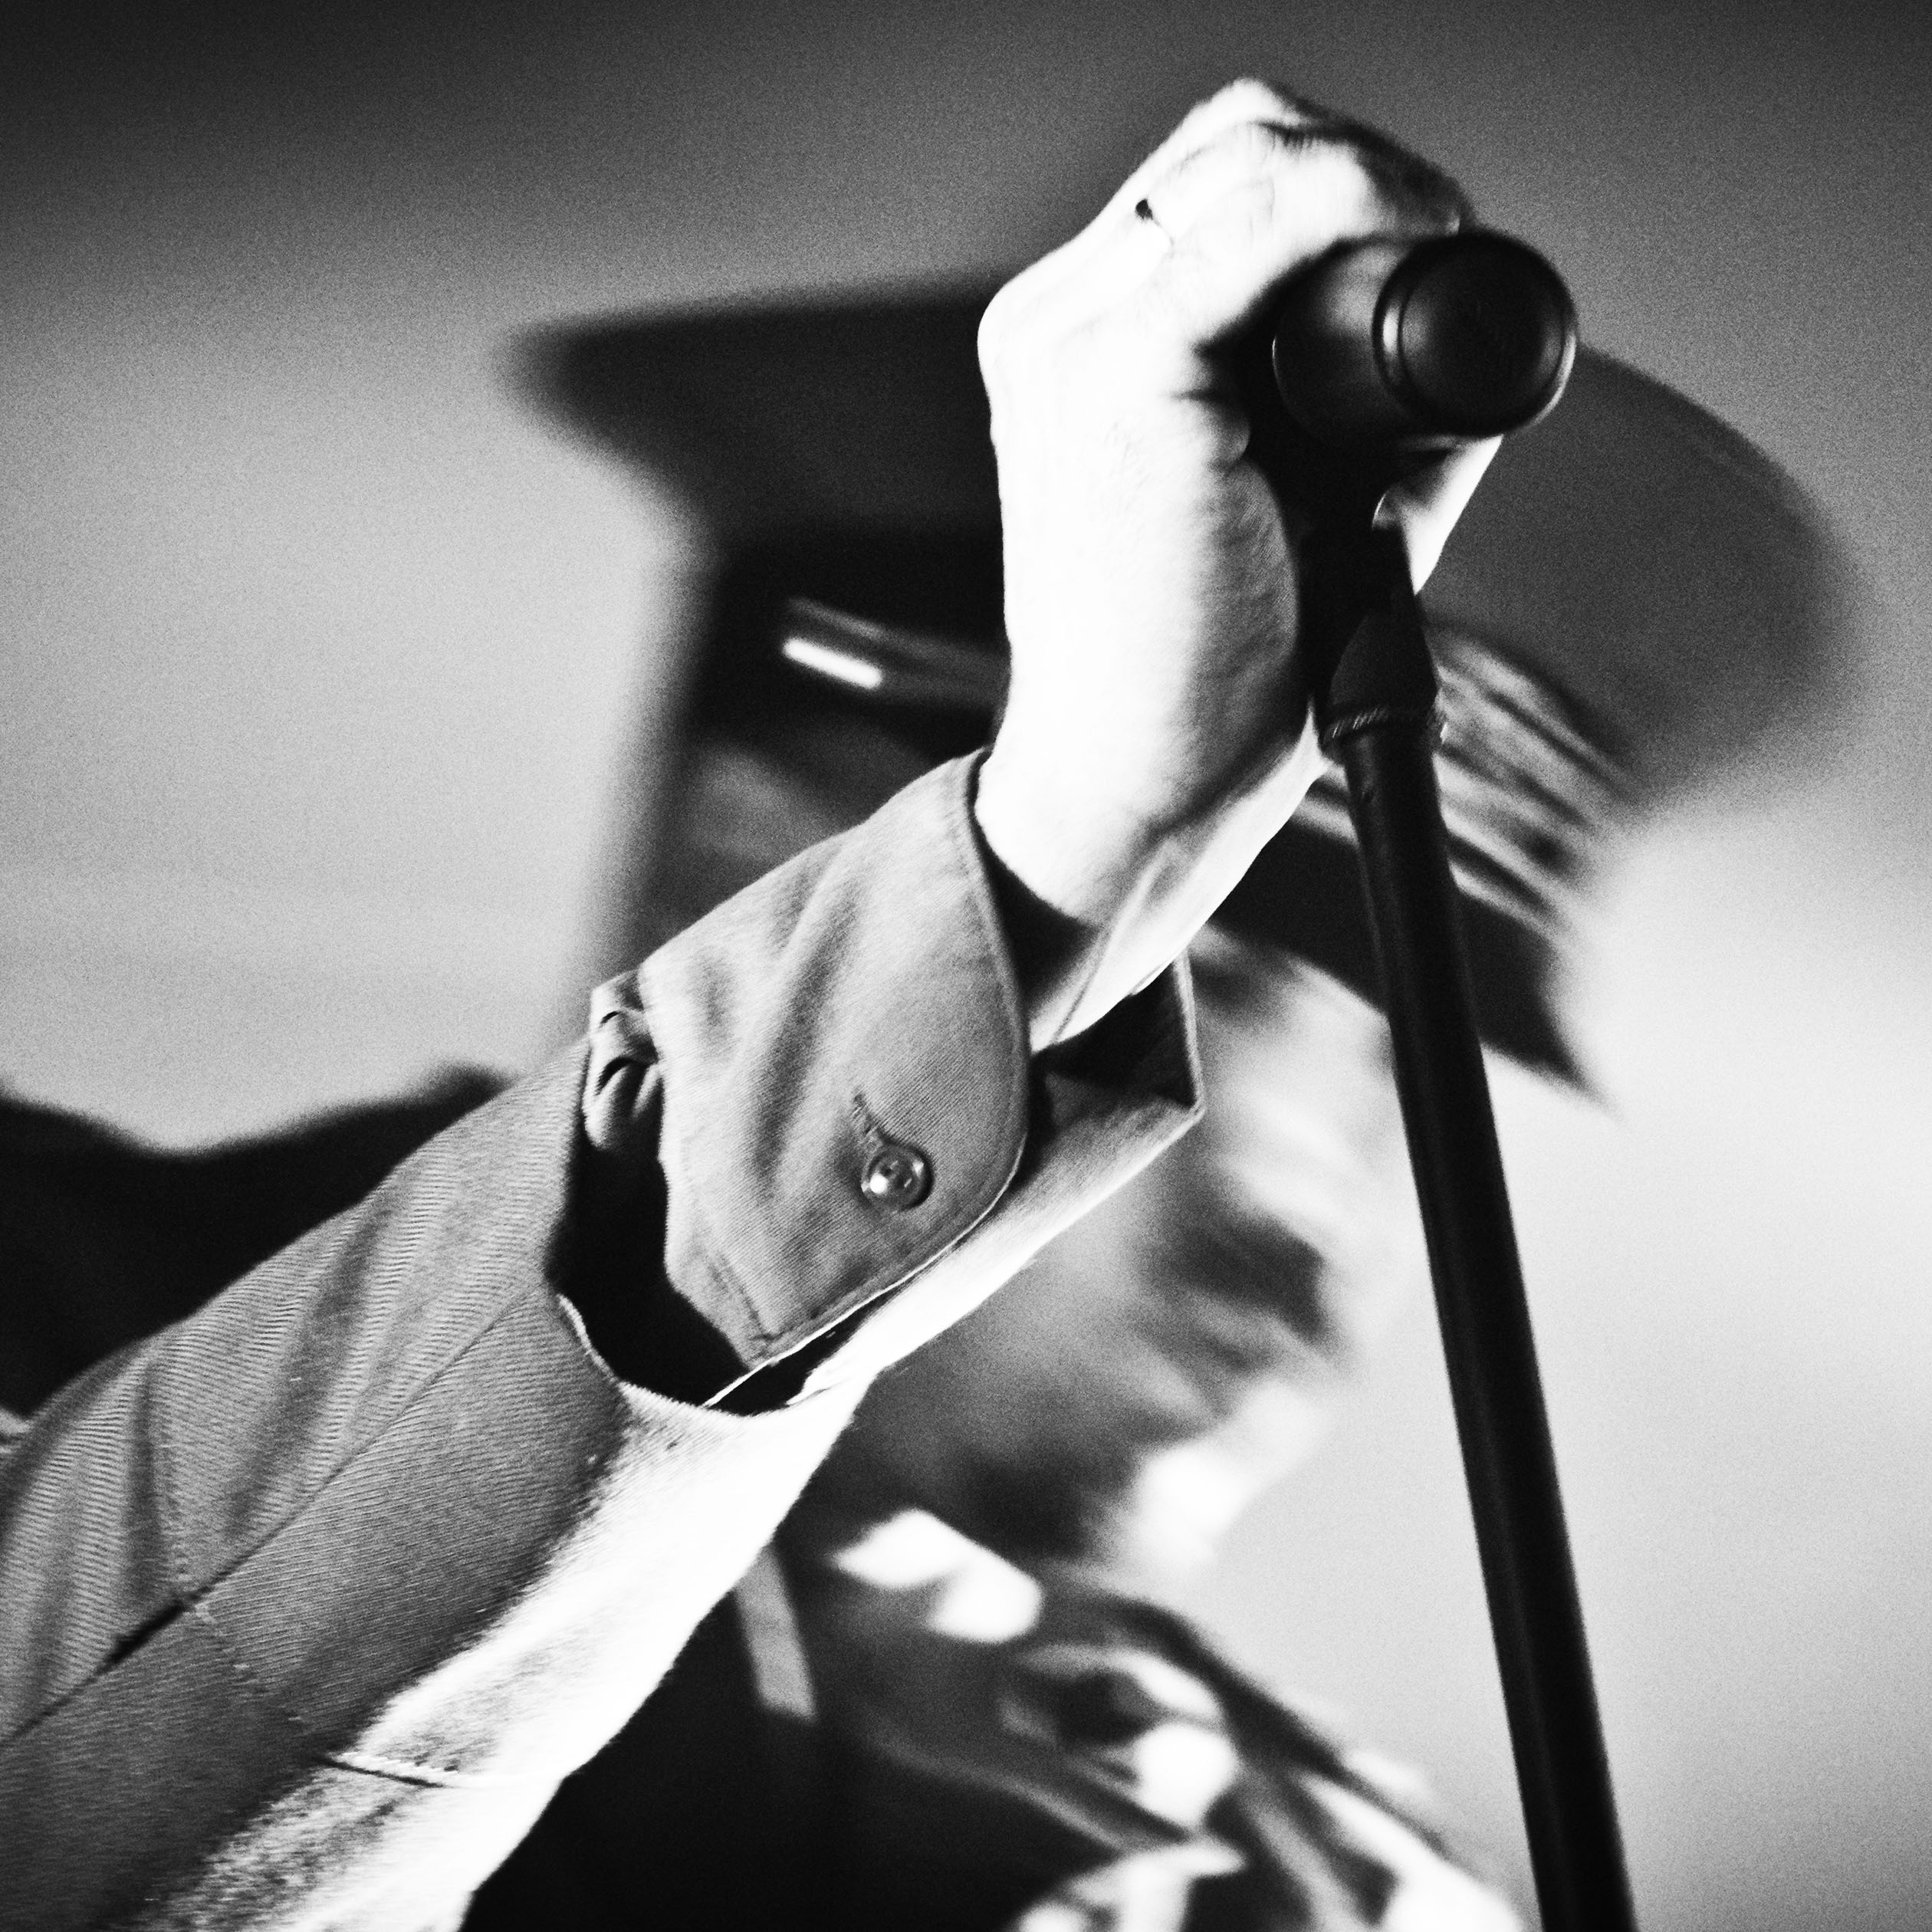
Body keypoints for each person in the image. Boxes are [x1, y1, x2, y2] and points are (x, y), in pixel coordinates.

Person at [0, 79, 1845, 1931]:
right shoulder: (51, 1315)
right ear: (750, 855)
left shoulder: (1323, 1866)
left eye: (1392, 1086)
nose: (1308, 1238)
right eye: (1200, 988)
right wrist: (1060, 861)